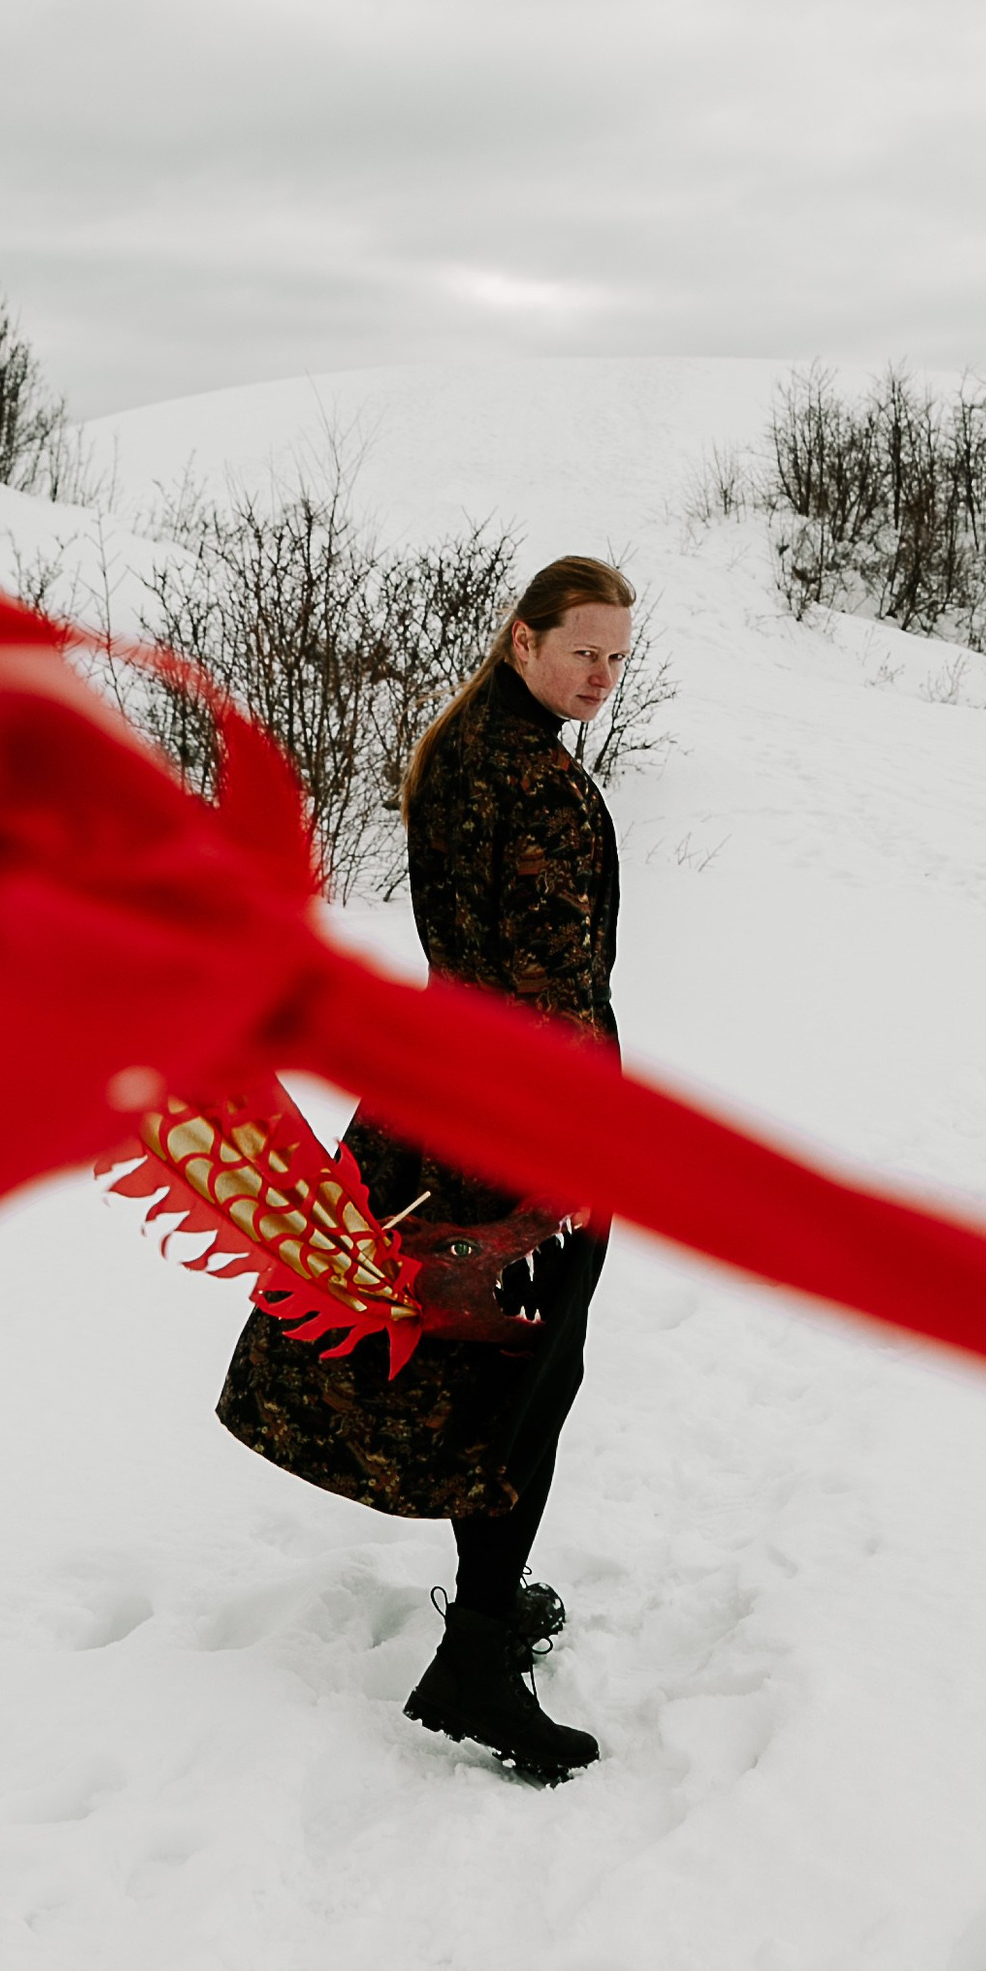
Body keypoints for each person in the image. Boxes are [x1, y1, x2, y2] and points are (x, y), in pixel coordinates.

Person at [213, 556, 634, 1787]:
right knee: (526, 1386)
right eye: (582, 654)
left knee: (481, 1370)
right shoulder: (530, 780)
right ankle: (478, 1665)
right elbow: (548, 993)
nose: (602, 678)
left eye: (618, 656)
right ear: (521, 641)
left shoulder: (470, 753)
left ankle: (490, 1607)